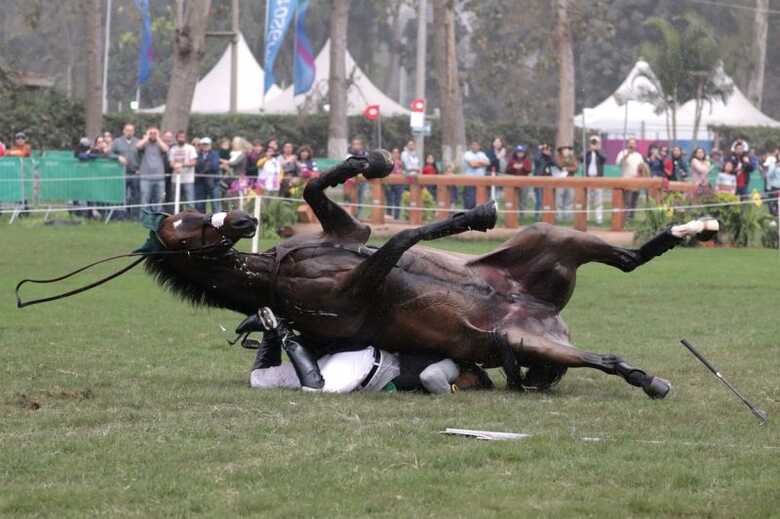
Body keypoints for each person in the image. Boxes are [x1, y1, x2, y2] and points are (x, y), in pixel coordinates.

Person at [242, 308, 493, 394]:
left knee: (259, 381)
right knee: (317, 390)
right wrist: (451, 393)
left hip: (355, 361)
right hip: (365, 365)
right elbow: (431, 378)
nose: (470, 386)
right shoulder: (452, 367)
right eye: (474, 383)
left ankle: (269, 330)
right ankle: (283, 332)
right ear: (471, 372)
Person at [109, 124, 141, 219]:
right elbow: (109, 153)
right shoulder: (117, 141)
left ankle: (135, 216)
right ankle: (121, 215)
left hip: (135, 173)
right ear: (123, 131)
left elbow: (143, 156)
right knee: (121, 195)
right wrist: (118, 157)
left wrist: (140, 168)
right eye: (127, 130)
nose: (129, 132)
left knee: (136, 195)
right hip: (122, 173)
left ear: (134, 131)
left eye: (131, 130)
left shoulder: (138, 142)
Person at [615, 138, 644, 219]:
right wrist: (627, 155)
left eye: (633, 143)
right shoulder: (622, 153)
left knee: (634, 201)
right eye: (630, 143)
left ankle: (631, 218)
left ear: (636, 145)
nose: (632, 145)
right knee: (627, 201)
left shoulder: (638, 155)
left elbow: (641, 167)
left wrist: (640, 173)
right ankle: (625, 218)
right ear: (627, 144)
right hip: (626, 181)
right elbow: (618, 163)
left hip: (636, 181)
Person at [168, 131, 198, 208]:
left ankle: (191, 218)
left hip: (188, 179)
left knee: (189, 201)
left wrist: (182, 165)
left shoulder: (191, 148)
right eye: (179, 137)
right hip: (175, 179)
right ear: (176, 138)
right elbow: (171, 163)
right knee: (176, 201)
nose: (181, 139)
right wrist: (175, 166)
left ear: (186, 138)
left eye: (183, 137)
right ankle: (179, 218)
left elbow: (194, 162)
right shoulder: (173, 149)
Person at [194, 137, 222, 214]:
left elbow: (215, 166)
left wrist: (203, 167)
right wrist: (207, 165)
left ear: (210, 145)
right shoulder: (197, 154)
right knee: (199, 206)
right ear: (201, 145)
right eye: (203, 144)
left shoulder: (215, 154)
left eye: (207, 144)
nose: (205, 146)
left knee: (216, 206)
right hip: (200, 183)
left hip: (213, 183)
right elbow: (196, 166)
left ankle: (217, 225)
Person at [582, 136, 606, 224]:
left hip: (598, 178)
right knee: (587, 199)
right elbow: (581, 158)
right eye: (592, 142)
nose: (594, 144)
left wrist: (596, 150)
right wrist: (589, 150)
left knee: (598, 200)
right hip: (588, 178)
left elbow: (604, 159)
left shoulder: (601, 153)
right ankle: (586, 218)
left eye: (595, 142)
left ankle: (599, 219)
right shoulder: (587, 153)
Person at [552, 145, 578, 221]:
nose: (567, 151)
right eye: (565, 149)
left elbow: (576, 168)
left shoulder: (572, 157)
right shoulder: (558, 157)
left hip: (570, 181)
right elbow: (559, 165)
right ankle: (558, 217)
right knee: (558, 200)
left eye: (568, 149)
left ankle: (568, 218)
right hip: (560, 181)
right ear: (561, 150)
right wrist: (568, 164)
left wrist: (566, 168)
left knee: (569, 199)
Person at [505, 145, 533, 216]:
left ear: (524, 153)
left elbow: (529, 170)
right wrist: (513, 167)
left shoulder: (527, 160)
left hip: (524, 183)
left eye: (521, 152)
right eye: (518, 152)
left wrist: (523, 167)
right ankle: (513, 214)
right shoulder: (512, 160)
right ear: (516, 152)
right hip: (513, 183)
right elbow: (507, 170)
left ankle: (523, 215)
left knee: (523, 199)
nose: (520, 154)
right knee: (514, 199)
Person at [462, 141, 489, 209]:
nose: (475, 147)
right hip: (470, 181)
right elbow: (472, 165)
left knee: (481, 201)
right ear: (471, 146)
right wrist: (482, 163)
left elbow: (488, 162)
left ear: (479, 147)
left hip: (481, 181)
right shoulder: (467, 154)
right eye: (473, 145)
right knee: (470, 201)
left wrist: (477, 162)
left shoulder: (482, 154)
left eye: (476, 145)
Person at [533, 143, 555, 220]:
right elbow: (536, 159)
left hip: (548, 183)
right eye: (545, 149)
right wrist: (540, 150)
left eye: (548, 150)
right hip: (539, 181)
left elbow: (554, 163)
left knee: (547, 201)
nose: (547, 151)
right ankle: (536, 217)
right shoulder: (539, 157)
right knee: (539, 201)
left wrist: (549, 155)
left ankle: (545, 217)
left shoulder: (549, 158)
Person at [348, 137, 369, 216]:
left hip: (362, 180)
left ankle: (358, 216)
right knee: (351, 198)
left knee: (360, 198)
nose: (356, 146)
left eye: (358, 144)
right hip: (351, 180)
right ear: (352, 145)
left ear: (361, 145)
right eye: (354, 144)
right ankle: (351, 215)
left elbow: (367, 165)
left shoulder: (365, 154)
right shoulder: (349, 154)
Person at [386, 148, 405, 219]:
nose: (395, 154)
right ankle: (389, 216)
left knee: (398, 201)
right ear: (391, 154)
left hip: (399, 184)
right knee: (389, 201)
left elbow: (404, 171)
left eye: (397, 153)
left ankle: (397, 218)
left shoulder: (401, 163)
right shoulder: (388, 162)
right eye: (394, 153)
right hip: (390, 183)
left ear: (399, 154)